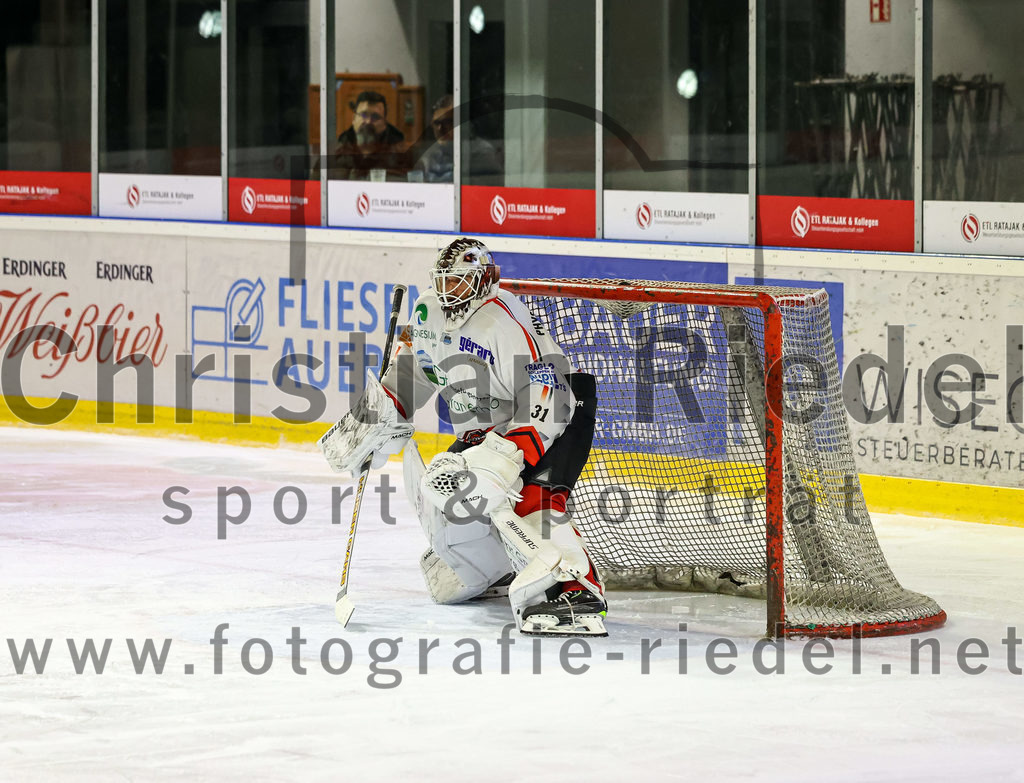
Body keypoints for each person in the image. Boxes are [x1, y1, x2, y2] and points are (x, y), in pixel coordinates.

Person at [322, 237, 607, 636]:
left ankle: (579, 593)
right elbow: (416, 376)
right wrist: (375, 417)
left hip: (555, 415)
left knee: (531, 500)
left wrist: (510, 456)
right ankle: (497, 571)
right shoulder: (427, 312)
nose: (447, 290)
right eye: (443, 281)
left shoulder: (502, 319)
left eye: (457, 282)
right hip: (489, 429)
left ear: (483, 279)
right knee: (449, 508)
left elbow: (548, 392)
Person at [412, 95, 502, 183]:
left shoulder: (481, 152)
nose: (440, 128)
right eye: (436, 123)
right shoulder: (431, 154)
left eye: (447, 122)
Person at [335, 90, 407, 180]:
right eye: (364, 115)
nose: (368, 121)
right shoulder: (337, 152)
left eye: (375, 117)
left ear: (384, 123)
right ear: (354, 118)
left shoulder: (400, 155)